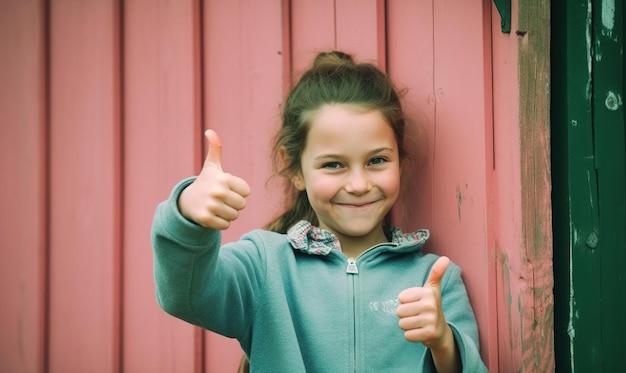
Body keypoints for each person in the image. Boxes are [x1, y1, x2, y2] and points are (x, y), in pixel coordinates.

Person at [151, 51, 487, 372]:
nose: (358, 184)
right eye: (333, 164)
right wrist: (187, 217)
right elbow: (185, 295)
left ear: (400, 157)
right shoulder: (264, 267)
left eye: (377, 160)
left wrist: (444, 342)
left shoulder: (435, 280)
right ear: (294, 168)